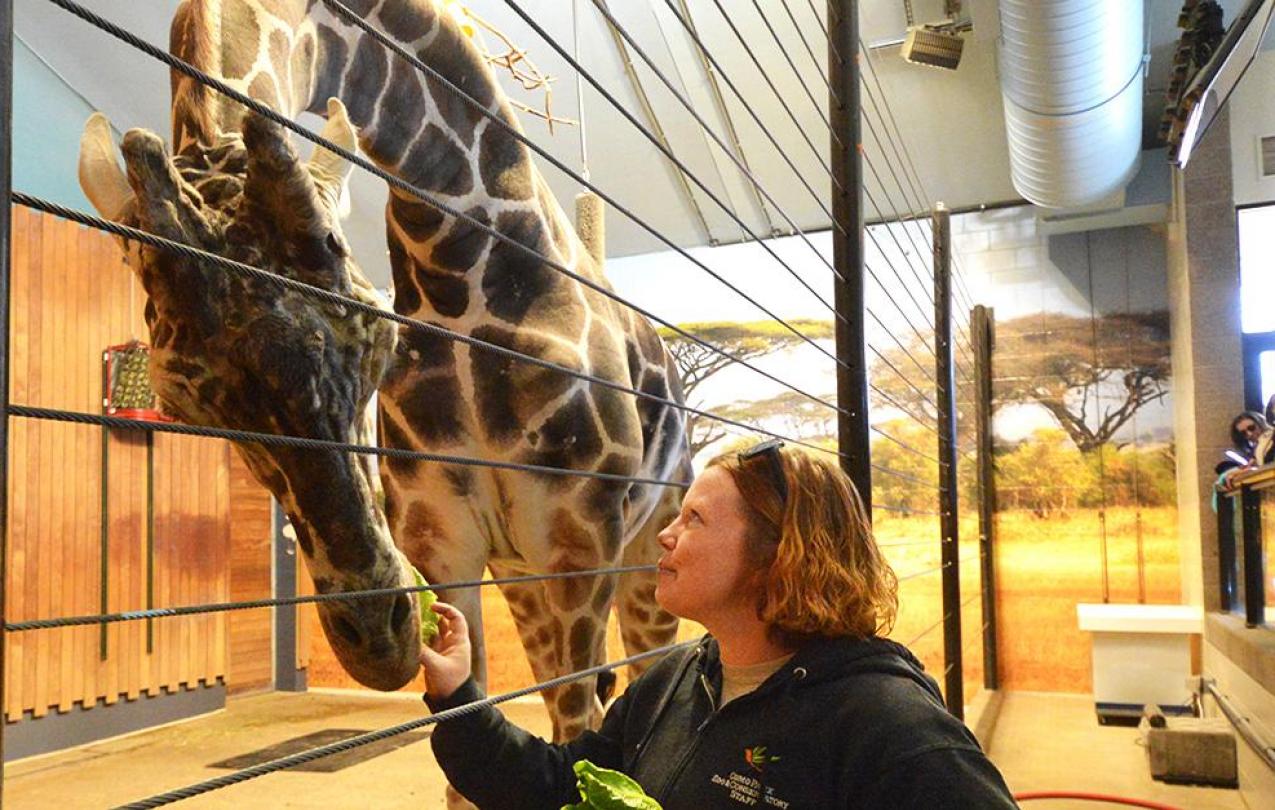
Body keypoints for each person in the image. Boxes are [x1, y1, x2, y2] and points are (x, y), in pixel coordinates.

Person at [419, 440, 1018, 809]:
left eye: (696, 518)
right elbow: (560, 787)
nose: (664, 534)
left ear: (778, 551)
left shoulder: (890, 726)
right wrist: (457, 695)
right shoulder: (677, 678)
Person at [1215, 410, 1267, 495]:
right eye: (1244, 433)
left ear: (1260, 423)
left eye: (1251, 428)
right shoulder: (1255, 448)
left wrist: (1252, 469)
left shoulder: (1269, 440)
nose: (1249, 434)